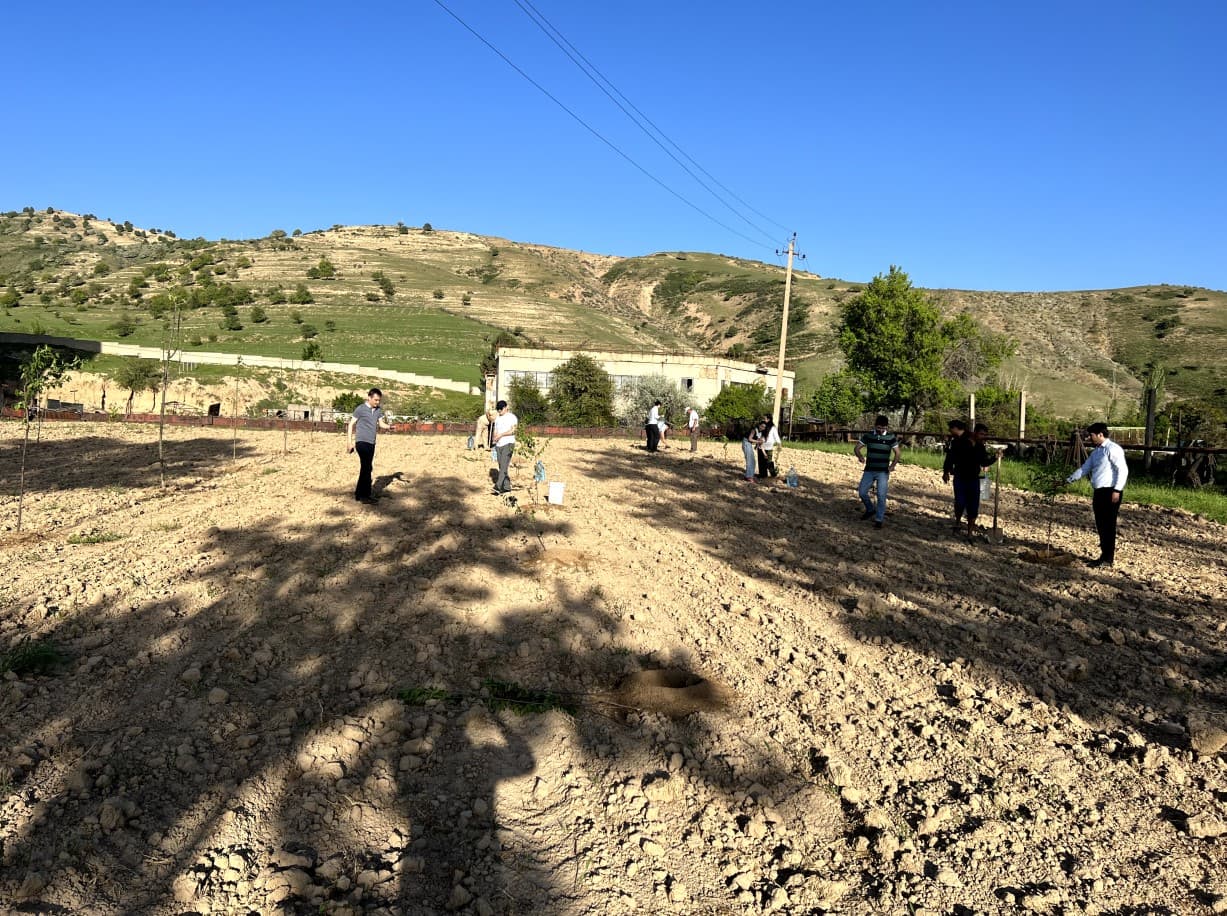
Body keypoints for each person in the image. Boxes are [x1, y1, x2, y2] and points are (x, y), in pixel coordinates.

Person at [1066, 422, 1129, 567]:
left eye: (1092, 435)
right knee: (1101, 524)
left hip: (1110, 491)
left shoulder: (1113, 449)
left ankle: (1108, 558)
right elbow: (1084, 469)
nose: (1090, 438)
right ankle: (1103, 556)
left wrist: (1117, 490)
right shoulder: (1096, 452)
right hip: (1099, 492)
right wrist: (1067, 481)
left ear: (1100, 434)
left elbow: (1122, 470)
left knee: (1108, 525)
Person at [943, 420, 993, 540]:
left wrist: (995, 457)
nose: (983, 437)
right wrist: (946, 471)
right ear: (975, 432)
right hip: (960, 477)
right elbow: (950, 457)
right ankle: (958, 522)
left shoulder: (981, 447)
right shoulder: (959, 442)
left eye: (985, 435)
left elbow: (984, 462)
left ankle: (969, 532)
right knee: (960, 502)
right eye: (981, 434)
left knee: (973, 506)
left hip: (973, 479)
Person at [854, 415, 900, 528]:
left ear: (887, 427)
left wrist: (892, 465)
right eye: (879, 428)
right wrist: (860, 456)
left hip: (883, 472)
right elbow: (857, 448)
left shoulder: (891, 437)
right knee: (862, 492)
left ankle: (879, 520)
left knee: (881, 495)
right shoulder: (868, 436)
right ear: (875, 426)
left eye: (883, 428)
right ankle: (870, 509)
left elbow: (897, 453)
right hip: (869, 470)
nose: (881, 430)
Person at [346, 388, 391, 504]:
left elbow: (381, 424)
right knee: (366, 467)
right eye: (375, 400)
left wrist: (390, 427)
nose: (377, 402)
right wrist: (349, 442)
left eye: (379, 400)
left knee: (367, 467)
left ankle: (358, 494)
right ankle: (365, 495)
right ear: (369, 398)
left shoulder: (378, 410)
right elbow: (351, 424)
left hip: (372, 442)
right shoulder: (360, 409)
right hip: (361, 442)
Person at [492, 399, 518, 494]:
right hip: (498, 445)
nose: (499, 411)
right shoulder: (498, 418)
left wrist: (501, 435)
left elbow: (513, 431)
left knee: (503, 466)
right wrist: (495, 437)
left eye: (501, 409)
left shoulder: (512, 417)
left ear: (506, 408)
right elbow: (495, 429)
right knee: (502, 466)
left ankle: (498, 486)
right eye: (498, 409)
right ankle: (507, 486)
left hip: (508, 443)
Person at [740, 418, 763, 483]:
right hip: (746, 442)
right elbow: (750, 439)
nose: (763, 428)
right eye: (762, 426)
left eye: (764, 427)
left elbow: (757, 440)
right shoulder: (754, 430)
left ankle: (749, 475)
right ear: (759, 425)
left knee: (753, 461)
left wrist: (757, 445)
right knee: (750, 460)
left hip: (749, 444)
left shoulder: (760, 432)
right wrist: (758, 442)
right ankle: (748, 477)